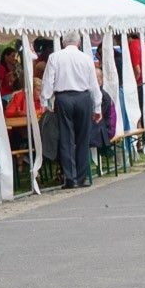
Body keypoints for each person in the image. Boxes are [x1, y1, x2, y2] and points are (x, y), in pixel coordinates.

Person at [40, 31, 102, 189]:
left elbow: (48, 81)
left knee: (66, 138)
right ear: (79, 43)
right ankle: (82, 177)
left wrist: (45, 100)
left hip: (64, 98)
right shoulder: (86, 58)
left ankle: (70, 178)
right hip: (83, 97)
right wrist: (97, 107)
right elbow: (93, 84)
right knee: (83, 137)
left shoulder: (55, 57)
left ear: (63, 43)